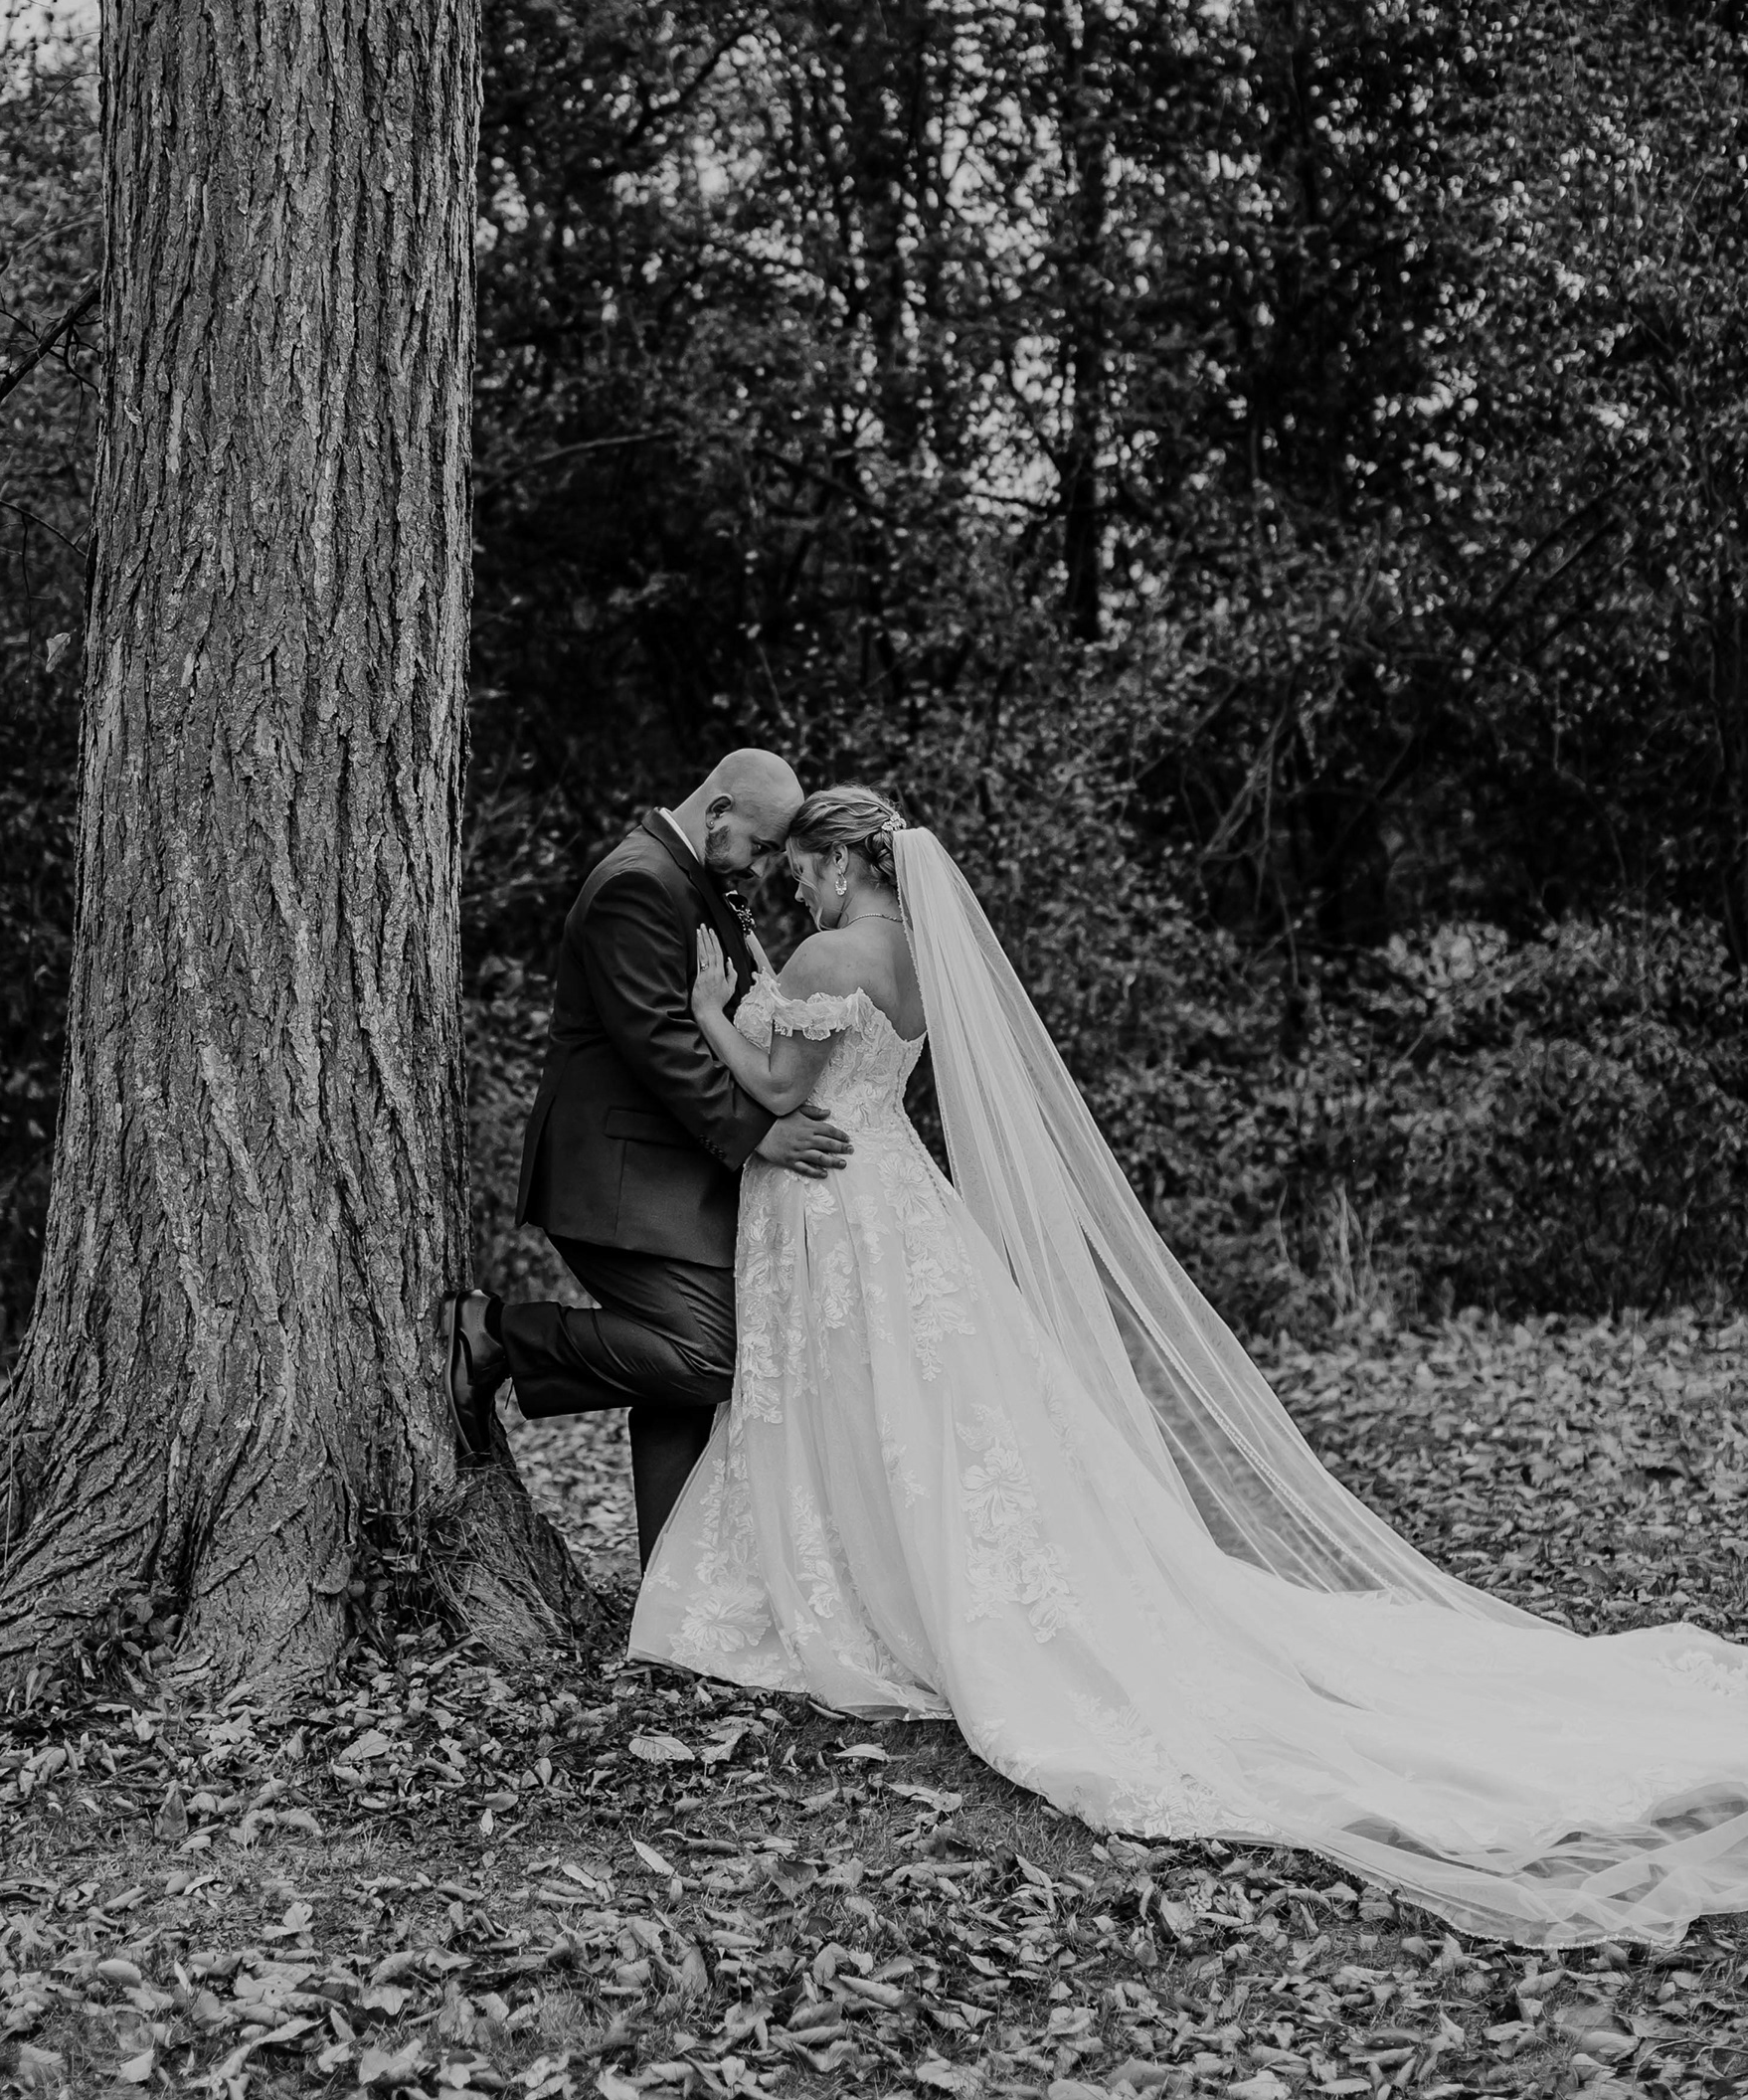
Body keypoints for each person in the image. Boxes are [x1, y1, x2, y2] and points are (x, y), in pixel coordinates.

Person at [631, 783, 1748, 1948]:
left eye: (802, 873)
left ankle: (857, 1583)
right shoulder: (920, 951)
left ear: (842, 863)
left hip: (838, 1206)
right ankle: (887, 1571)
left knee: (862, 1403)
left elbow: (778, 1089)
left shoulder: (828, 958)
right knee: (920, 1412)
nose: (796, 893)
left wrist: (710, 1008)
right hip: (900, 1200)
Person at [443, 750, 853, 1566]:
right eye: (761, 847)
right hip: (616, 1179)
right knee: (716, 1357)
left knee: (678, 1373)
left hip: (674, 1181)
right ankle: (495, 1334)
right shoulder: (636, 883)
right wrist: (761, 1133)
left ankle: (670, 1589)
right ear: (719, 809)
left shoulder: (694, 880)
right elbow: (660, 1043)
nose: (764, 869)